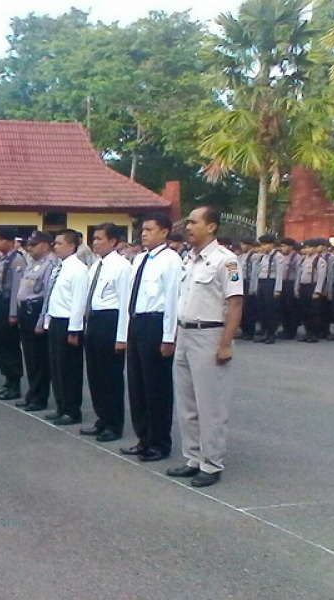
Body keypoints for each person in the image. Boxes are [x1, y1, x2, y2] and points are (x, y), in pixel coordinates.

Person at [168, 206, 243, 488]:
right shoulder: (188, 259)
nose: (188, 226)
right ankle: (193, 458)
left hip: (209, 335)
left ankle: (212, 464)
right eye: (187, 222)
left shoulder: (227, 261)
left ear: (211, 227)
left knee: (210, 405)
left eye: (194, 222)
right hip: (185, 334)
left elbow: (235, 303)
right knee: (186, 402)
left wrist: (225, 344)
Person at [119, 213, 182, 462]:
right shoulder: (140, 259)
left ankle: (159, 442)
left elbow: (172, 300)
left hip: (156, 323)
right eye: (142, 230)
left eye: (149, 229)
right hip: (137, 322)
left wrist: (169, 337)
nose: (144, 234)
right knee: (137, 385)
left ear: (164, 232)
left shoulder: (171, 260)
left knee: (157, 386)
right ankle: (143, 437)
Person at [81, 223, 131, 442]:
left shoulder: (122, 266)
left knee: (111, 376)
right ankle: (101, 418)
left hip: (110, 321)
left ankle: (114, 423)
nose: (95, 242)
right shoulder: (96, 265)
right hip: (94, 320)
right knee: (95, 375)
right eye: (93, 238)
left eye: (100, 238)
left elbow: (125, 303)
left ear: (113, 241)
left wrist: (122, 337)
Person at [41, 229, 88, 425]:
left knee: (69, 369)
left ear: (71, 246)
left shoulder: (78, 269)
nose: (55, 246)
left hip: (68, 323)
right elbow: (54, 296)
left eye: (60, 243)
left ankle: (72, 409)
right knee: (56, 367)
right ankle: (61, 406)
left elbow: (78, 302)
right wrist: (47, 321)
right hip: (56, 321)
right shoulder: (59, 267)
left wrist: (74, 329)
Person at [14, 230, 56, 411]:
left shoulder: (50, 264)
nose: (29, 248)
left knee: (39, 359)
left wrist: (41, 320)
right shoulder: (32, 262)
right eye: (28, 245)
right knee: (30, 357)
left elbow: (48, 294)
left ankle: (40, 397)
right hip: (25, 311)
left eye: (33, 244)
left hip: (36, 311)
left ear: (45, 245)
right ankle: (32, 392)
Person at [0, 225, 27, 400]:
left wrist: (13, 313)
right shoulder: (0, 260)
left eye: (2, 239)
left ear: (11, 242)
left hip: (6, 304)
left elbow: (16, 288)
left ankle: (14, 384)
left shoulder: (16, 260)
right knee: (0, 345)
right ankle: (8, 381)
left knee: (10, 346)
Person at [295, 239, 327, 343]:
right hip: (304, 287)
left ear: (314, 248)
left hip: (313, 287)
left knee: (314, 312)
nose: (306, 249)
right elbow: (299, 275)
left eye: (308, 247)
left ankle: (314, 334)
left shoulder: (319, 260)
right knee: (305, 311)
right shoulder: (304, 260)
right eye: (305, 248)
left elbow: (321, 277)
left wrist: (317, 291)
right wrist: (297, 288)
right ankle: (307, 332)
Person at [252, 234, 281, 343]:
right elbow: (257, 272)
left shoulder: (278, 256)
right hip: (262, 282)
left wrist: (278, 289)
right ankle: (264, 332)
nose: (264, 247)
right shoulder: (262, 256)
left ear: (272, 245)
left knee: (271, 311)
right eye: (262, 245)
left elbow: (280, 274)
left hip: (271, 283)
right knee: (262, 309)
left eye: (266, 244)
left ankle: (271, 334)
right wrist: (255, 287)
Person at [275, 238, 300, 339]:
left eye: (285, 246)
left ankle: (291, 331)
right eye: (282, 246)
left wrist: (296, 288)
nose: (283, 248)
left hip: (291, 283)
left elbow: (298, 273)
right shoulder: (280, 257)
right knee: (283, 307)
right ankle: (285, 329)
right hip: (283, 283)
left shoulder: (296, 257)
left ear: (291, 247)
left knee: (291, 308)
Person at [238, 238, 259, 339]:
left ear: (250, 245)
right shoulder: (241, 256)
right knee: (242, 309)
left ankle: (250, 331)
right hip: (241, 283)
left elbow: (254, 273)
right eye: (241, 244)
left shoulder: (254, 256)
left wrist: (253, 287)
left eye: (244, 244)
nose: (242, 247)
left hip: (249, 282)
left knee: (249, 309)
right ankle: (244, 330)